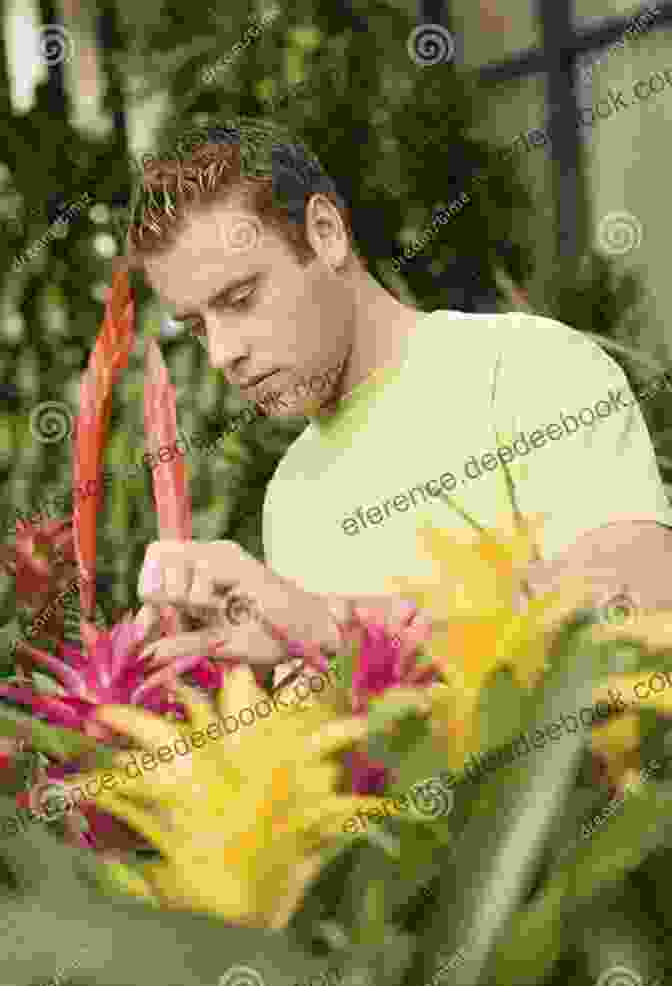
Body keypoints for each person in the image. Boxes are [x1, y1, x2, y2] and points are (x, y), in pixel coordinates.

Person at [121, 115, 672, 667]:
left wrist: (329, 622)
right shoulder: (290, 496)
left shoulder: (528, 369)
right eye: (196, 326)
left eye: (240, 298)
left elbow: (633, 599)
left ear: (326, 233)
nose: (221, 353)